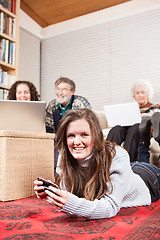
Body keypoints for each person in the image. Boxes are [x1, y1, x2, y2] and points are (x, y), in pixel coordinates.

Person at [34, 109, 160, 219]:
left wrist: (70, 204)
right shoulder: (65, 155)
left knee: (143, 162)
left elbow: (110, 207)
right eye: (71, 136)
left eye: (84, 135)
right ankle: (143, 138)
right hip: (123, 171)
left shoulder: (118, 155)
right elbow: (71, 193)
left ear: (95, 136)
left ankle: (145, 139)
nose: (77, 142)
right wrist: (51, 193)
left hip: (147, 179)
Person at [106, 79, 158, 162]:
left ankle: (126, 162)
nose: (140, 95)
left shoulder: (155, 108)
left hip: (142, 131)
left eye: (143, 92)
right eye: (137, 93)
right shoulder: (129, 109)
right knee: (116, 129)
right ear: (134, 95)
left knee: (135, 127)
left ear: (147, 95)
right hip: (127, 129)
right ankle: (105, 160)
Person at [45, 76, 92, 169]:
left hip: (75, 134)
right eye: (58, 89)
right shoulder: (52, 105)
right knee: (54, 139)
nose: (60, 93)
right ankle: (53, 169)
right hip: (57, 135)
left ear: (72, 92)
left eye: (64, 90)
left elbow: (87, 123)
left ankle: (58, 169)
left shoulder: (80, 102)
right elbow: (48, 127)